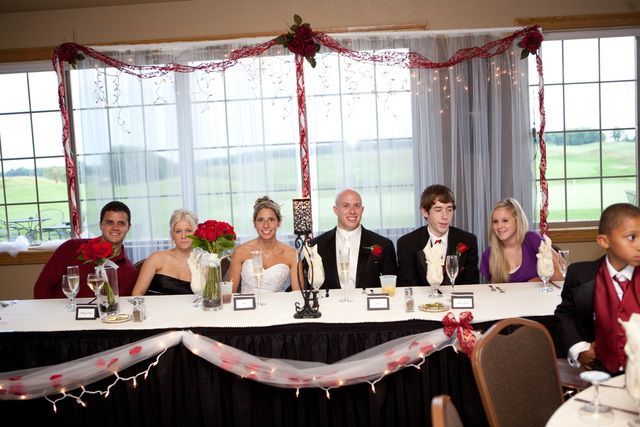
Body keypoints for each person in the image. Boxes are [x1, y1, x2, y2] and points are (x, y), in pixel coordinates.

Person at [555, 203, 640, 374]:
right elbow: (565, 313)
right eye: (631, 237)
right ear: (604, 241)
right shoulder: (580, 275)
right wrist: (579, 348)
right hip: (600, 371)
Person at [33, 201, 139, 299]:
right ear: (101, 225)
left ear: (128, 227)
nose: (115, 227)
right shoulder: (71, 248)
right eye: (109, 222)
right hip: (58, 314)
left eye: (121, 223)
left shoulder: (129, 273)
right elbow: (42, 287)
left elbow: (113, 307)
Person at [310, 188, 397, 290]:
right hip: (329, 304)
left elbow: (391, 287)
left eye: (357, 206)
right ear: (335, 210)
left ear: (362, 210)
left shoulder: (384, 245)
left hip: (367, 304)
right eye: (346, 206)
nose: (352, 211)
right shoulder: (316, 245)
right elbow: (309, 285)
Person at [397, 184, 479, 286]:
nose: (445, 216)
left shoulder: (468, 240)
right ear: (425, 212)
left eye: (449, 209)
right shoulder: (407, 243)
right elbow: (408, 286)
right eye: (438, 210)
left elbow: (471, 285)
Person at [227, 196, 301, 293]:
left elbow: (298, 296)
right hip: (248, 306)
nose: (266, 225)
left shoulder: (292, 254)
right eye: (260, 220)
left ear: (279, 223)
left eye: (271, 220)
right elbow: (229, 294)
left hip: (279, 307)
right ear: (254, 223)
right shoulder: (240, 252)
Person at [480, 198, 563, 283]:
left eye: (505, 220)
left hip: (540, 296)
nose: (499, 226)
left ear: (517, 221)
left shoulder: (531, 239)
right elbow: (492, 291)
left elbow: (561, 271)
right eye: (495, 221)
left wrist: (537, 281)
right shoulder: (489, 254)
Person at [131, 209, 198, 295]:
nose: (183, 236)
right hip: (153, 307)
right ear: (172, 235)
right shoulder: (156, 258)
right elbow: (137, 293)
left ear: (196, 233)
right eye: (178, 231)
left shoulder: (202, 263)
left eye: (188, 231)